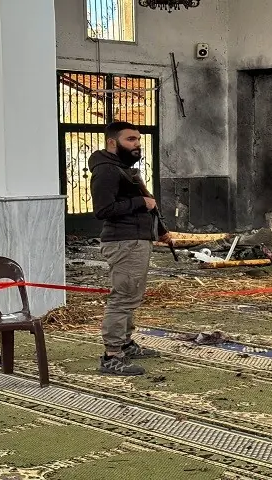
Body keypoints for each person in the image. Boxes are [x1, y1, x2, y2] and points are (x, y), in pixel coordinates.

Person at [88, 121, 171, 376]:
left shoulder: (121, 168)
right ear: (112, 142)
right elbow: (103, 210)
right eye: (131, 140)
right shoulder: (107, 171)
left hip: (134, 240)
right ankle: (112, 355)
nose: (137, 145)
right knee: (123, 297)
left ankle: (125, 343)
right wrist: (139, 202)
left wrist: (160, 231)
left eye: (138, 139)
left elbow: (144, 205)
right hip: (124, 242)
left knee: (131, 295)